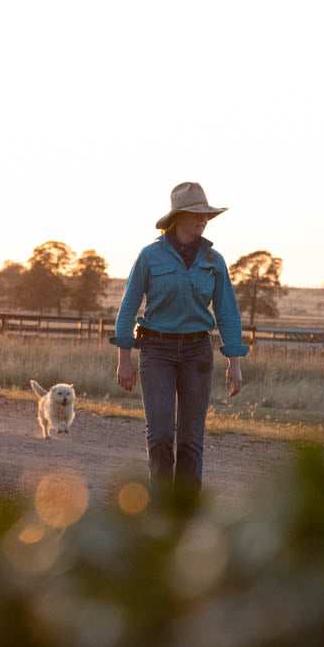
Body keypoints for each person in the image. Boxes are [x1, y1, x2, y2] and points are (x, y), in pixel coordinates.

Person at [112, 182, 247, 491]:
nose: (202, 220)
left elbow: (227, 312)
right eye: (195, 214)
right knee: (160, 436)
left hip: (197, 352)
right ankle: (160, 512)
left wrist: (234, 363)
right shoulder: (150, 257)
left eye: (206, 215)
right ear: (178, 217)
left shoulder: (215, 262)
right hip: (156, 350)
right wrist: (124, 360)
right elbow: (129, 305)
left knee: (190, 440)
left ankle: (185, 514)